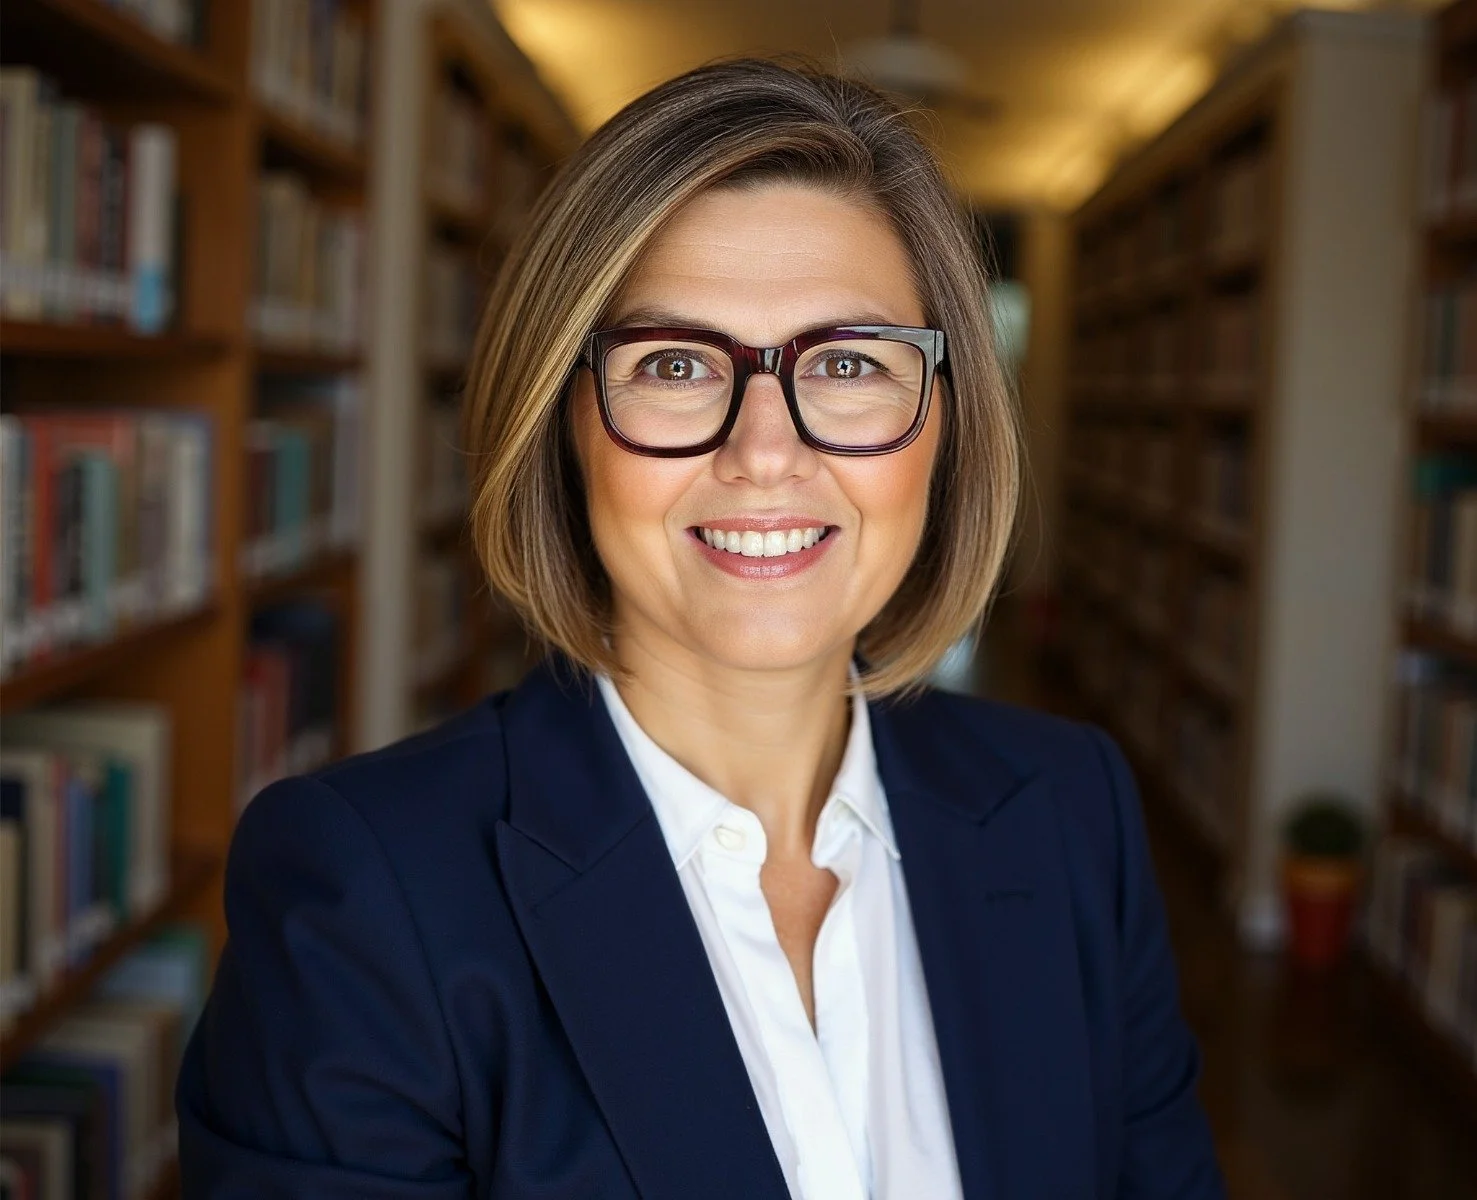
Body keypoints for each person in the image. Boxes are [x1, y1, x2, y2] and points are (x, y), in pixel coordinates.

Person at [176, 57, 1226, 1200]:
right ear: (561, 420)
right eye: (675, 364)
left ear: (945, 425)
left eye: (848, 364)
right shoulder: (361, 898)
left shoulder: (1072, 814)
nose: (766, 454)